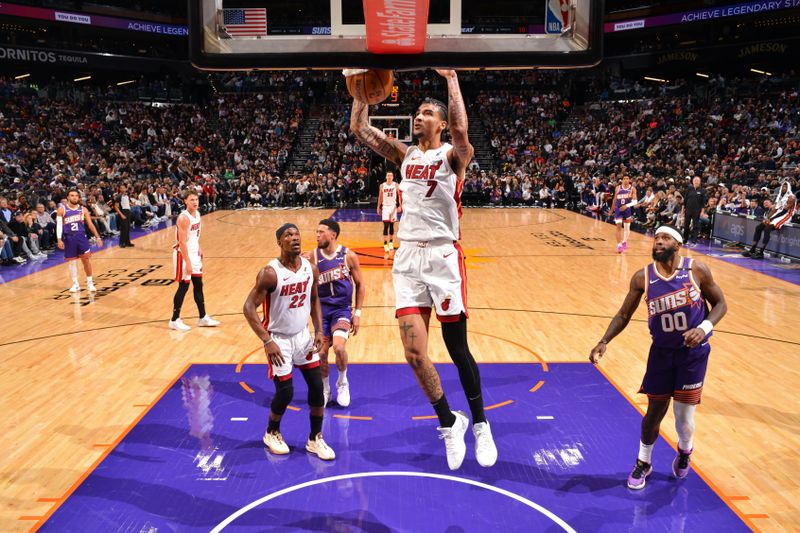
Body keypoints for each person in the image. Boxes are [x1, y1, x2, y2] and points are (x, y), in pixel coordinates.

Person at [349, 68, 497, 470]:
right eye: (416, 112)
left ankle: (481, 423)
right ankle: (450, 422)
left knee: (456, 347)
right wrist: (359, 83)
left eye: (426, 113)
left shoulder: (453, 155)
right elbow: (360, 129)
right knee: (414, 353)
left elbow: (463, 134)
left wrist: (450, 79)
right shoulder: (405, 154)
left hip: (443, 256)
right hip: (408, 257)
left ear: (442, 124)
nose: (418, 117)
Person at [589, 225, 728, 490]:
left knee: (683, 419)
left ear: (678, 244)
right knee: (654, 412)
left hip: (692, 356)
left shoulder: (696, 270)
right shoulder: (642, 277)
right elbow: (623, 315)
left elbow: (721, 304)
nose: (658, 242)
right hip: (661, 355)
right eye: (656, 239)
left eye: (665, 238)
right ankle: (643, 463)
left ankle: (685, 452)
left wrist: (703, 328)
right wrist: (604, 341)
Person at [242, 223, 334, 460]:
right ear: (279, 242)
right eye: (288, 235)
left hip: (302, 335)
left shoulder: (310, 269)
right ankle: (271, 432)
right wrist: (266, 340)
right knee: (286, 391)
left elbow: (314, 300)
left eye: (297, 234)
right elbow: (248, 307)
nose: (295, 238)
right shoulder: (270, 273)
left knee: (316, 387)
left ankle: (315, 438)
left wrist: (319, 331)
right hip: (278, 338)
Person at [307, 218, 365, 407]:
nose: (317, 235)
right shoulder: (311, 257)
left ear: (333, 235)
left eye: (321, 232)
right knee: (321, 354)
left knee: (339, 348)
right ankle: (325, 389)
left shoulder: (348, 255)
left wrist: (357, 314)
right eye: (316, 232)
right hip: (321, 312)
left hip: (341, 309)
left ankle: (342, 382)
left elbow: (360, 285)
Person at [169, 191, 220, 331]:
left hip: (194, 252)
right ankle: (174, 320)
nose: (195, 202)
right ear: (185, 201)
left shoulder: (197, 214)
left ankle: (203, 317)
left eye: (196, 199)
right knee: (184, 286)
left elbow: (194, 236)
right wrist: (189, 262)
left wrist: (199, 247)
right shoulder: (183, 218)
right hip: (183, 254)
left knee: (198, 284)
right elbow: (182, 242)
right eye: (191, 200)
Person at [57, 189, 103, 293]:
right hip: (69, 238)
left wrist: (98, 237)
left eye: (76, 196)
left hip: (81, 237)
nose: (74, 197)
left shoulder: (83, 209)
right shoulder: (62, 210)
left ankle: (90, 283)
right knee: (72, 262)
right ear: (68, 197)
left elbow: (90, 224)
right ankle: (75, 284)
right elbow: (59, 225)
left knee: (86, 261)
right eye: (72, 195)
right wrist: (59, 239)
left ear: (78, 197)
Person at [742, 186, 796, 259]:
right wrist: (767, 218)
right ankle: (752, 250)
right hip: (777, 215)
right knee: (758, 227)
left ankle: (761, 252)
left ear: (788, 187)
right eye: (783, 186)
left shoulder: (791, 197)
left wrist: (772, 218)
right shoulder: (781, 197)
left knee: (767, 229)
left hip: (786, 215)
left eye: (785, 187)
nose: (783, 188)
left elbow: (784, 212)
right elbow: (774, 210)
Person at [377, 171, 402, 259]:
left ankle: (391, 242)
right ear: (386, 176)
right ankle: (385, 244)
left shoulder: (396, 185)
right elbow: (380, 197)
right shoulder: (382, 185)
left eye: (391, 175)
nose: (389, 176)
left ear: (393, 176)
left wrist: (400, 206)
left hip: (393, 207)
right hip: (385, 207)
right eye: (388, 175)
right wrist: (378, 207)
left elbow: (399, 196)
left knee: (392, 226)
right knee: (385, 226)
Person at [611, 174, 637, 253]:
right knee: (618, 226)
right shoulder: (618, 188)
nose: (626, 180)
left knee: (627, 228)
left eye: (627, 178)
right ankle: (619, 245)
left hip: (627, 210)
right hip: (618, 209)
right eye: (624, 178)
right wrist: (611, 210)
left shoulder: (632, 189)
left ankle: (624, 241)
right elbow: (615, 199)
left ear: (629, 180)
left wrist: (626, 206)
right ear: (622, 180)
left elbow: (635, 201)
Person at [682, 176, 706, 247]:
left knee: (695, 226)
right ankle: (685, 240)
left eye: (697, 181)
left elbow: (703, 203)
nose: (696, 182)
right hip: (688, 210)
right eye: (695, 180)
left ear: (700, 182)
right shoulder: (689, 189)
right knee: (686, 225)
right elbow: (685, 200)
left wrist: (702, 211)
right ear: (692, 181)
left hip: (697, 211)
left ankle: (694, 241)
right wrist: (683, 210)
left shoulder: (702, 191)